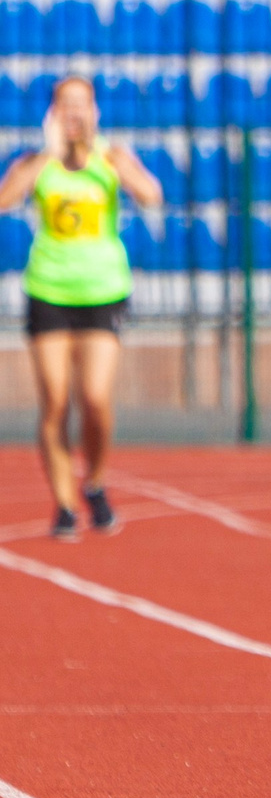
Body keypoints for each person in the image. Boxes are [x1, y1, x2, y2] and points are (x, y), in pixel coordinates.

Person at [0, 76, 161, 542]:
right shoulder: (38, 163)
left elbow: (150, 195)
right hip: (49, 290)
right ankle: (64, 504)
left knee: (95, 399)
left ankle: (95, 482)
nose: (74, 115)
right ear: (52, 113)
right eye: (65, 106)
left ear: (94, 112)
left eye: (82, 106)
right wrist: (49, 155)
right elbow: (6, 199)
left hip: (102, 291)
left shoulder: (109, 158)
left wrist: (101, 155)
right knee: (54, 400)